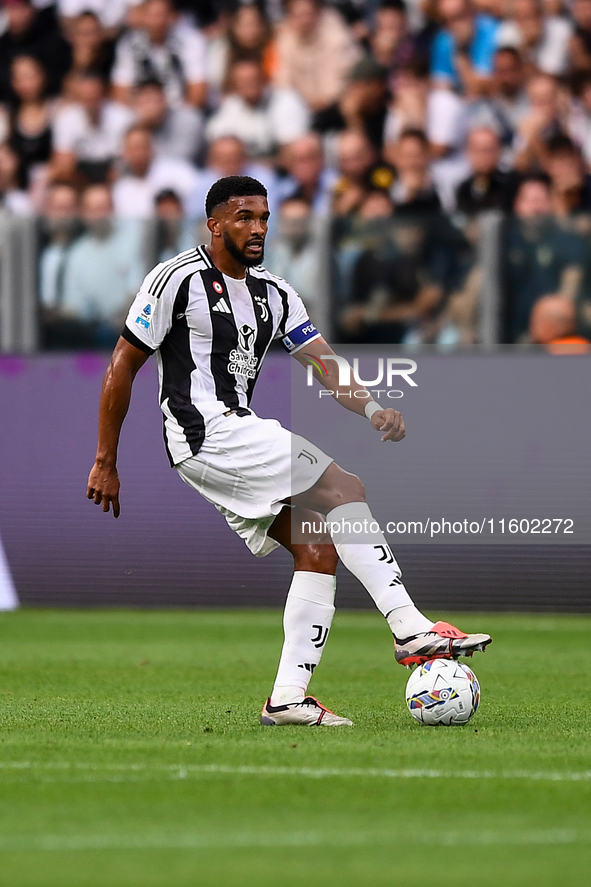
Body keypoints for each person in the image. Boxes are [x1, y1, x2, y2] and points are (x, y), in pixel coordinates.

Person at [86, 174, 491, 726]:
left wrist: (373, 409)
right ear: (214, 224)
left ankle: (287, 700)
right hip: (207, 431)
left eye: (263, 218)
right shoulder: (175, 281)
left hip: (225, 440)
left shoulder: (274, 293)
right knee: (345, 488)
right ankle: (409, 628)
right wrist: (106, 459)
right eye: (244, 217)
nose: (257, 228)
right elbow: (122, 366)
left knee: (317, 545)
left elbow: (323, 363)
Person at [503, 175, 587, 341]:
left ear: (550, 204)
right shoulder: (503, 242)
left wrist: (551, 317)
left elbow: (571, 284)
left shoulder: (567, 240)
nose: (536, 208)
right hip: (508, 332)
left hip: (557, 332)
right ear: (517, 205)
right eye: (529, 201)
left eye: (540, 200)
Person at [60, 183, 144, 348]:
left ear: (112, 209)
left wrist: (122, 320)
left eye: (102, 208)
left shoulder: (133, 240)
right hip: (92, 334)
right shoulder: (76, 255)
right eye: (92, 209)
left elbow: (138, 288)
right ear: (82, 213)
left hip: (134, 327)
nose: (98, 215)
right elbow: (75, 307)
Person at [205, 58, 310, 159]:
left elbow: (292, 155)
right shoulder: (230, 106)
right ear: (235, 85)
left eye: (253, 79)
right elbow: (216, 144)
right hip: (245, 171)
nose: (249, 85)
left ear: (264, 79)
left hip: (281, 174)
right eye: (243, 81)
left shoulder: (286, 101)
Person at [111, 0, 207, 108]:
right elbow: (120, 92)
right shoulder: (128, 43)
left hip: (177, 110)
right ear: (143, 17)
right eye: (152, 15)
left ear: (172, 16)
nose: (157, 21)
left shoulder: (191, 41)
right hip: (138, 111)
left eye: (161, 15)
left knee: (191, 118)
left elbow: (198, 93)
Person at [51, 70, 134, 184]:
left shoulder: (123, 117)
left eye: (94, 93)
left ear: (103, 94)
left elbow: (128, 158)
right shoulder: (65, 118)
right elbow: (63, 162)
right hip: (80, 178)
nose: (90, 97)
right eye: (86, 94)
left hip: (116, 176)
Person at [112, 125, 199, 218]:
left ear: (152, 147)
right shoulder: (121, 189)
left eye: (141, 147)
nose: (138, 153)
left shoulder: (179, 172)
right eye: (132, 149)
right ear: (124, 152)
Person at [455, 126, 517, 214]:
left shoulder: (512, 184)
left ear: (499, 151)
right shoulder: (463, 189)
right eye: (479, 150)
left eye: (489, 150)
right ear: (468, 152)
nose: (484, 156)